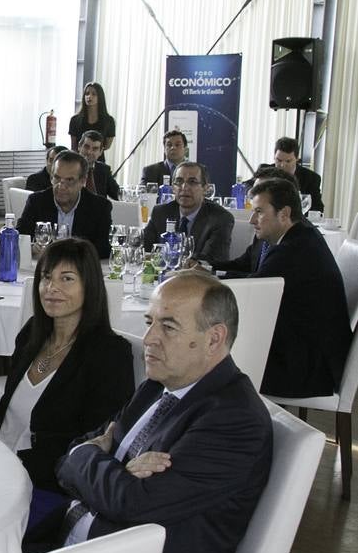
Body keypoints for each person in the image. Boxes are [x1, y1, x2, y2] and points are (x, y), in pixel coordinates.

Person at [54, 271, 272, 553]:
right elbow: (70, 457)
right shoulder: (160, 384)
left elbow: (131, 501)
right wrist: (101, 463)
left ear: (214, 339)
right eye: (150, 321)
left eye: (167, 326)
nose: (148, 337)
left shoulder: (233, 419)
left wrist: (94, 461)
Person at [0, 239, 134, 542]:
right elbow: (4, 411)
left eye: (66, 279)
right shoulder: (32, 334)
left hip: (46, 488)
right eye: (46, 277)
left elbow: (92, 443)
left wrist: (15, 466)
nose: (51, 288)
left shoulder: (108, 354)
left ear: (90, 287)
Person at [215, 177, 350, 398]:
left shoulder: (292, 250)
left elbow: (250, 294)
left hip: (307, 368)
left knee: (212, 361)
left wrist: (203, 282)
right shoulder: (300, 236)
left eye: (259, 212)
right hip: (309, 351)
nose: (251, 220)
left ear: (284, 213)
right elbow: (254, 279)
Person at [16, 150, 112, 258]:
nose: (61, 186)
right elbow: (19, 236)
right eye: (57, 178)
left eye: (69, 180)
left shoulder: (100, 207)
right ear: (51, 177)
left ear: (82, 181)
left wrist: (67, 254)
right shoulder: (36, 201)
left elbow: (103, 248)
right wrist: (31, 247)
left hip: (81, 270)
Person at [141, 161, 234, 264]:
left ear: (205, 188)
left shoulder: (220, 218)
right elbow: (143, 249)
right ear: (173, 188)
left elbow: (211, 260)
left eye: (192, 182)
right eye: (179, 181)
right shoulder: (161, 213)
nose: (184, 187)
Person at [271, 136, 323, 214]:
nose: (282, 165)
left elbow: (317, 208)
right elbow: (248, 186)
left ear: (297, 159)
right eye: (279, 160)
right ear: (274, 157)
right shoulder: (265, 171)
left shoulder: (311, 178)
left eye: (288, 161)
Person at [67, 81, 115, 156]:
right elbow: (73, 146)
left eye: (94, 94)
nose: (89, 96)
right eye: (87, 94)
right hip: (79, 159)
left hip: (98, 159)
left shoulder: (109, 121)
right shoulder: (75, 119)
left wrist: (93, 151)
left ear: (100, 97)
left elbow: (107, 145)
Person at [78, 130, 121, 200]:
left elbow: (118, 195)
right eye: (86, 147)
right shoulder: (68, 167)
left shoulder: (103, 170)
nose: (89, 152)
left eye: (95, 149)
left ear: (100, 152)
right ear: (79, 146)